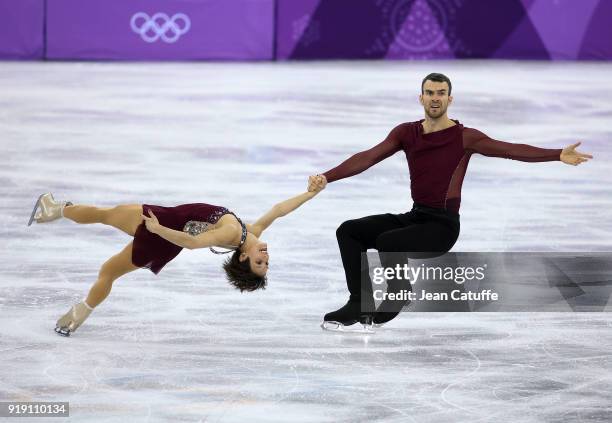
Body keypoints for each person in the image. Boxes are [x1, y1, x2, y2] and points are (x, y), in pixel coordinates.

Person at [308, 72, 594, 331]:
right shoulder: (406, 133)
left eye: (441, 93)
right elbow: (368, 157)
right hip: (416, 217)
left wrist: (556, 154)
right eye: (430, 93)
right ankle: (358, 301)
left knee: (389, 241)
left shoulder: (464, 137)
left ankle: (399, 294)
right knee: (349, 230)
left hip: (442, 227)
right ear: (421, 97)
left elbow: (509, 150)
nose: (435, 98)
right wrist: (327, 177)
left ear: (450, 98)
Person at [28, 186, 325, 336]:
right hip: (165, 243)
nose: (266, 257)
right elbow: (279, 209)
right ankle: (82, 311)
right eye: (267, 263)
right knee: (109, 271)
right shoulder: (250, 231)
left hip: (162, 225)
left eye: (260, 263)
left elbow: (195, 242)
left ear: (244, 257)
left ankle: (54, 209)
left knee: (104, 214)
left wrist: (157, 229)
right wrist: (311, 192)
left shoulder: (233, 231)